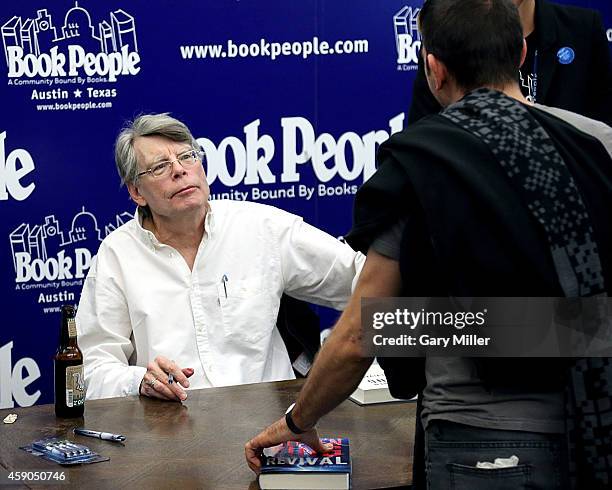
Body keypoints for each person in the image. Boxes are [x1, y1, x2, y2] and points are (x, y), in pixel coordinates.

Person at [245, 1, 612, 489]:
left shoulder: (427, 162)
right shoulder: (597, 143)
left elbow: (360, 335)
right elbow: (587, 325)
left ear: (433, 69)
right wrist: (565, 329)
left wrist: (296, 421)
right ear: (521, 53)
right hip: (597, 428)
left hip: (480, 442)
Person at [76, 113, 365, 401]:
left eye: (187, 156)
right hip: (168, 433)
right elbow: (91, 370)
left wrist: (403, 354)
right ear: (137, 192)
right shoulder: (117, 255)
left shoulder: (260, 227)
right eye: (161, 167)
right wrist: (139, 380)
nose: (179, 170)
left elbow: (365, 279)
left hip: (269, 430)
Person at [407, 0, 612, 126]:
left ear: (521, 50)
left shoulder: (582, 28)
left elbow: (603, 125)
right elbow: (422, 129)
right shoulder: (447, 35)